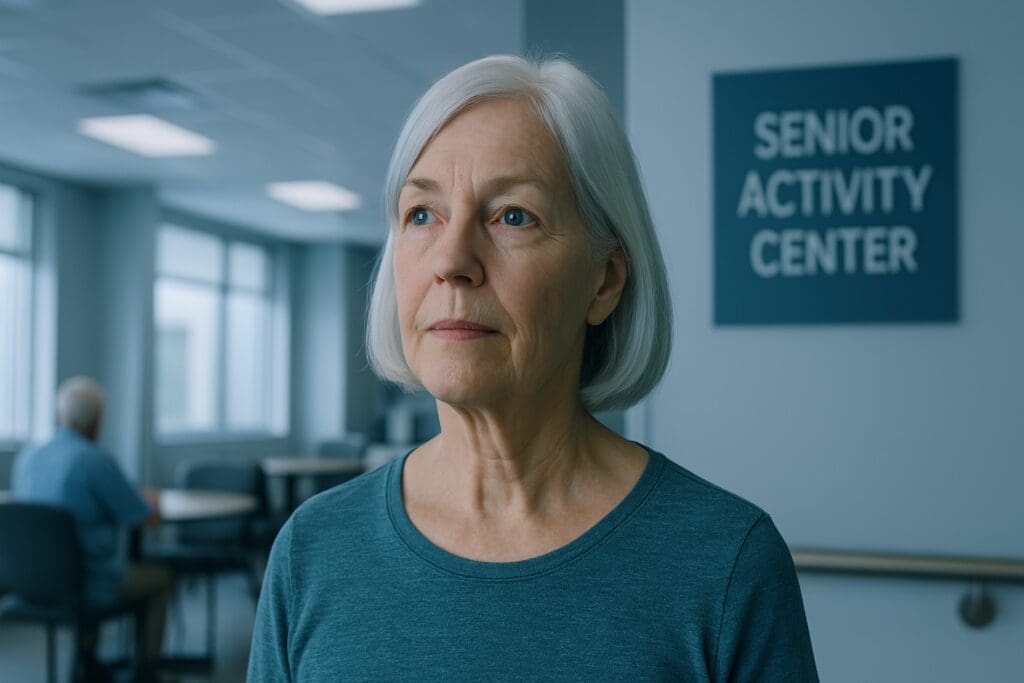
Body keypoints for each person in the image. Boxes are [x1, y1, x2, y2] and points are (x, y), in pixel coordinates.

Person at [248, 55, 818, 682]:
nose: (453, 259)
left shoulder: (726, 564)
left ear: (604, 282)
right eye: (422, 215)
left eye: (512, 216)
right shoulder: (312, 552)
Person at [12, 376, 172, 681]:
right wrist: (150, 499)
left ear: (59, 414)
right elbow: (141, 516)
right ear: (97, 420)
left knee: (82, 559)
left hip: (31, 585)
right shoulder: (93, 460)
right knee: (160, 580)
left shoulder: (27, 459)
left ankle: (87, 661)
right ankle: (148, 671)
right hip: (86, 586)